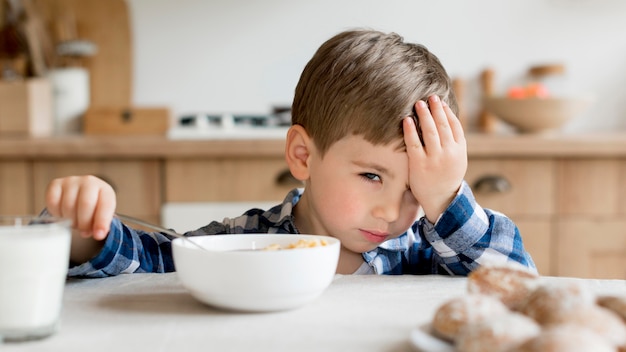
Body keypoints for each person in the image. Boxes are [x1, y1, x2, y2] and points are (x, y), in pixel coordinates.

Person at [44, 29, 535, 277]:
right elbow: (150, 266)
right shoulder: (244, 244)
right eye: (371, 176)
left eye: (415, 190)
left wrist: (447, 199)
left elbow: (522, 283)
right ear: (303, 154)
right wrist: (85, 234)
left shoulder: (428, 253)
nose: (392, 212)